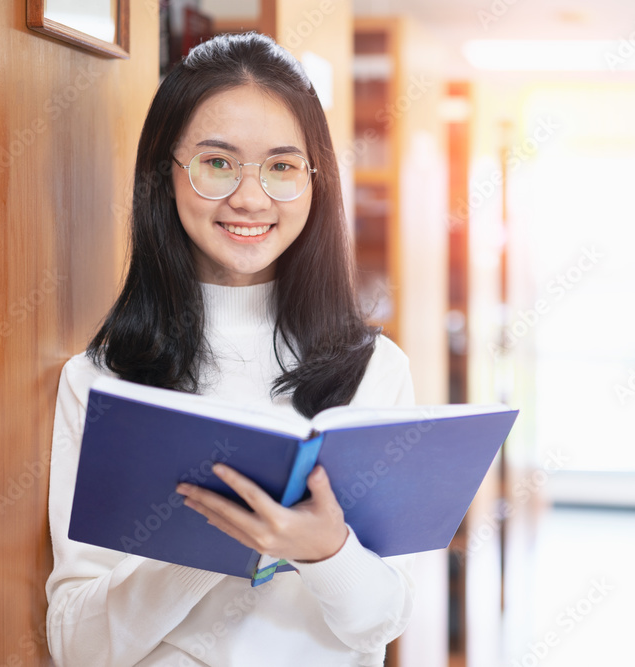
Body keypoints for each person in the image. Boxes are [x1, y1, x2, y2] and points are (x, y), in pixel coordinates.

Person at [46, 33, 415, 666]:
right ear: (167, 173)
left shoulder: (374, 370)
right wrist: (214, 541)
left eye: (281, 165)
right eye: (218, 163)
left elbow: (382, 620)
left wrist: (326, 551)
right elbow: (76, 646)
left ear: (314, 178)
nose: (250, 197)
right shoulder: (101, 380)